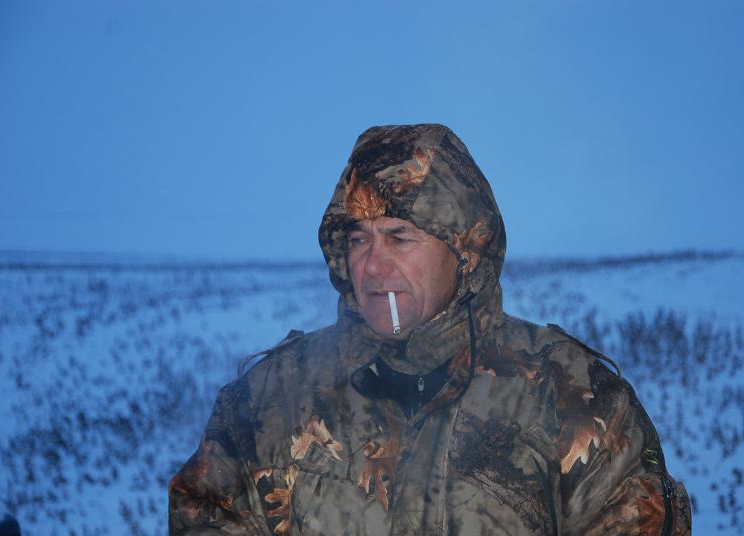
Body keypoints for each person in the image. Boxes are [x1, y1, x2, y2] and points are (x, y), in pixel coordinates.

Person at [169, 124, 691, 535]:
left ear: (464, 250)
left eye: (399, 236)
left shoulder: (571, 396)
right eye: (358, 240)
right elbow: (207, 515)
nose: (372, 265)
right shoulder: (271, 398)